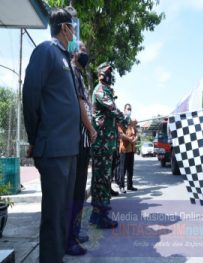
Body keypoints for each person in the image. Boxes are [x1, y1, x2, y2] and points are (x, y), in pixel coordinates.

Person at [22, 8, 81, 263]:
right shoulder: (46, 51)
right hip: (53, 149)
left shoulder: (66, 58)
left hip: (69, 149)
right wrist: (36, 139)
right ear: (64, 28)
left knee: (62, 214)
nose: (75, 32)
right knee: (53, 215)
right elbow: (31, 95)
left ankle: (56, 257)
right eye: (73, 26)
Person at [66, 41, 97, 256]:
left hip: (84, 141)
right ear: (74, 52)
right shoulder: (73, 72)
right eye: (82, 49)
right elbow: (79, 105)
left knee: (79, 190)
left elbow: (86, 104)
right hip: (79, 140)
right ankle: (69, 238)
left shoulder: (79, 74)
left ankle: (75, 232)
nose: (85, 53)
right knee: (75, 191)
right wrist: (91, 129)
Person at [89, 63, 128, 228]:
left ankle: (96, 214)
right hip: (102, 143)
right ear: (100, 74)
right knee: (103, 179)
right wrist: (124, 118)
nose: (110, 75)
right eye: (107, 72)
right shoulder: (100, 90)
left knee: (100, 179)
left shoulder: (105, 90)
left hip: (106, 142)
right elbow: (112, 109)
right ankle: (102, 216)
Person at [117, 104, 138, 192]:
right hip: (124, 149)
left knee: (130, 169)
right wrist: (129, 139)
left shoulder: (132, 122)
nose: (129, 110)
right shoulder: (121, 121)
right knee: (123, 169)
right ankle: (122, 186)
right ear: (124, 110)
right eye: (128, 109)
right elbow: (121, 134)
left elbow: (136, 134)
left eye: (130, 109)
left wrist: (135, 139)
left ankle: (130, 185)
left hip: (132, 148)